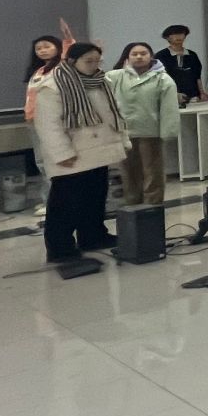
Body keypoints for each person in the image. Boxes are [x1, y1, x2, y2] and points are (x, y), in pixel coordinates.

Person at [29, 43, 128, 266]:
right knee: (66, 203)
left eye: (97, 61)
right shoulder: (53, 85)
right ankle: (60, 248)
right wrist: (62, 153)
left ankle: (93, 236)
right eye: (88, 61)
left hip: (98, 150)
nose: (93, 66)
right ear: (72, 61)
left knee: (95, 197)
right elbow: (48, 125)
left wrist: (122, 140)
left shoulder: (102, 81)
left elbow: (115, 113)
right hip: (72, 153)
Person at [106, 42, 178, 206]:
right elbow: (94, 80)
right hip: (125, 133)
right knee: (128, 173)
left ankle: (153, 206)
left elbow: (169, 108)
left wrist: (168, 132)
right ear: (127, 57)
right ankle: (132, 206)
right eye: (134, 54)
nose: (139, 57)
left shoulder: (163, 79)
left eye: (143, 53)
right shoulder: (116, 76)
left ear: (151, 56)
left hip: (151, 133)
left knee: (153, 172)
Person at [154, 24, 208, 106]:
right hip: (171, 96)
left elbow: (197, 76)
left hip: (193, 96)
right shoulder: (161, 56)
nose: (178, 36)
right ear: (167, 37)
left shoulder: (192, 55)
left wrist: (202, 93)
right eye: (174, 34)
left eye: (181, 33)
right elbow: (159, 78)